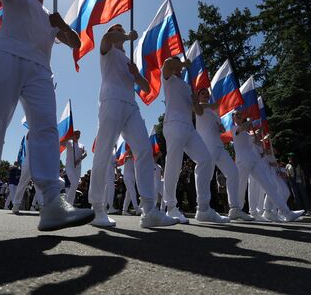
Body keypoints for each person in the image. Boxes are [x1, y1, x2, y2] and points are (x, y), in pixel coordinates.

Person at [0, 0, 94, 231]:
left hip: (40, 69)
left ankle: (51, 204)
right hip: (7, 57)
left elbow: (76, 43)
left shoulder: (49, 15)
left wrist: (62, 25)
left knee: (46, 129)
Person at [89, 24, 179, 228]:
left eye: (121, 28)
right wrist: (127, 36)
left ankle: (149, 211)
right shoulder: (107, 50)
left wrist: (136, 74)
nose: (119, 30)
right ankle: (96, 208)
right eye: (117, 29)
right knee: (103, 152)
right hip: (111, 101)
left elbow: (146, 88)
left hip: (131, 106)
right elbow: (105, 37)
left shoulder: (128, 60)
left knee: (144, 150)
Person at [160, 56, 226, 224]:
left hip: (189, 127)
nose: (180, 68)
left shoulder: (187, 86)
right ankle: (171, 207)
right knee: (174, 164)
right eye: (178, 65)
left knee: (206, 159)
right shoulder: (168, 78)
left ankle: (203, 208)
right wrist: (182, 63)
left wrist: (195, 98)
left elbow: (199, 111)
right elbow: (167, 63)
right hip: (174, 123)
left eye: (181, 66)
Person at [232, 110, 304, 222]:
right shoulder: (234, 129)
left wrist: (258, 134)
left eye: (240, 114)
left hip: (253, 162)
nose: (239, 116)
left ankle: (286, 212)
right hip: (242, 163)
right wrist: (250, 122)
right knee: (241, 187)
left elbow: (255, 141)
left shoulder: (247, 133)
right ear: (233, 118)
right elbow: (242, 128)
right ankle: (236, 209)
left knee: (269, 185)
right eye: (237, 115)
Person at [195, 88, 253, 221]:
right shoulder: (200, 107)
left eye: (206, 93)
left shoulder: (215, 112)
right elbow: (198, 107)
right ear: (198, 97)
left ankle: (234, 209)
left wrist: (220, 128)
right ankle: (202, 208)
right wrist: (213, 106)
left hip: (219, 146)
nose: (206, 94)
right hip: (207, 146)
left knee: (233, 173)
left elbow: (219, 128)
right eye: (202, 93)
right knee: (206, 176)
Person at [64, 130, 87, 204]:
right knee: (73, 183)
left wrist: (80, 159)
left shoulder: (81, 145)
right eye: (76, 134)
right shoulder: (69, 142)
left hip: (78, 167)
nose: (77, 135)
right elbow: (60, 143)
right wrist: (68, 138)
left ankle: (70, 203)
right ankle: (68, 203)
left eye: (79, 134)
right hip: (69, 166)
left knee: (75, 185)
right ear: (73, 134)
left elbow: (85, 153)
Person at [121, 150, 142, 215]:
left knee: (128, 195)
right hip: (127, 178)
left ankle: (124, 210)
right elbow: (124, 158)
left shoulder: (135, 160)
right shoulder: (127, 157)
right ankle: (137, 208)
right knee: (133, 192)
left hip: (133, 178)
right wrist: (129, 156)